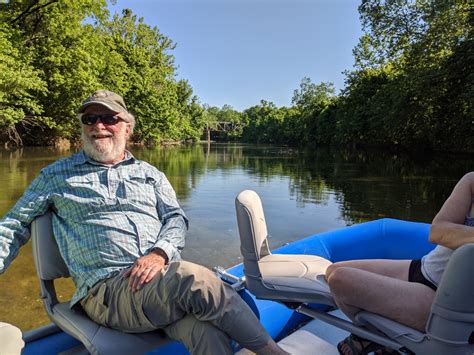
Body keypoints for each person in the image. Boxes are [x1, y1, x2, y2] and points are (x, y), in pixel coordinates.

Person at [0, 90, 288, 355]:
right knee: (193, 278)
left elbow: (176, 219)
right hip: (107, 294)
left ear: (127, 127)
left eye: (109, 118)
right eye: (90, 119)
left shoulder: (150, 174)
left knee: (207, 333)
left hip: (158, 287)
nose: (98, 126)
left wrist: (159, 252)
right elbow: (12, 226)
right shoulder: (56, 175)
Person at [325, 172, 474, 355]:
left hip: (442, 299)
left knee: (340, 280)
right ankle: (379, 337)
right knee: (332, 270)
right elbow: (437, 232)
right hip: (425, 268)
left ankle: (378, 338)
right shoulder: (471, 182)